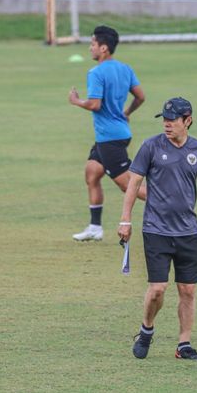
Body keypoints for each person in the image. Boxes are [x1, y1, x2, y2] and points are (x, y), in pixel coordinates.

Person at [117, 97, 197, 361]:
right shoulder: (151, 146)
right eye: (164, 119)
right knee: (158, 289)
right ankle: (146, 330)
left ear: (188, 121)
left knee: (188, 290)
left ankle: (183, 344)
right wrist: (125, 220)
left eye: (172, 120)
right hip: (156, 230)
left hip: (188, 232)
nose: (167, 124)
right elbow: (133, 183)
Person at [68, 25, 147, 241]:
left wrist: (76, 102)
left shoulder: (96, 73)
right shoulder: (125, 68)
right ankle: (95, 228)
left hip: (110, 138)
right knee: (92, 173)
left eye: (92, 44)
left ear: (103, 48)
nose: (90, 48)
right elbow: (141, 96)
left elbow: (94, 104)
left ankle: (170, 204)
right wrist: (127, 112)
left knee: (128, 185)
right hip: (116, 134)